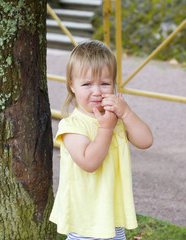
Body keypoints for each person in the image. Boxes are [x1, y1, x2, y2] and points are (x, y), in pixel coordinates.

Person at [50, 40, 153, 240]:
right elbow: (90, 162)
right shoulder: (72, 125)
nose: (97, 91)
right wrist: (106, 127)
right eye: (87, 84)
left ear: (113, 85)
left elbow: (146, 140)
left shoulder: (115, 117)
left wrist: (127, 113)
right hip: (85, 222)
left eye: (105, 84)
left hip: (112, 217)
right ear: (72, 85)